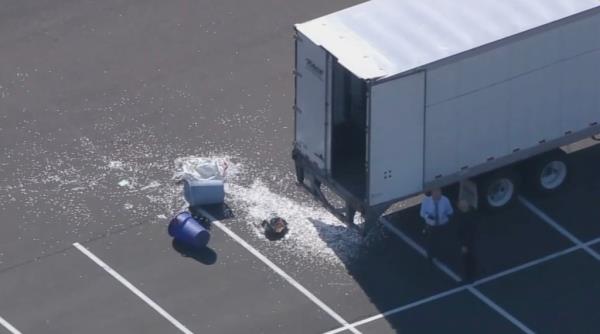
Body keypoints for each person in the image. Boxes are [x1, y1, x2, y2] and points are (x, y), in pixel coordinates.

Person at [420, 188, 453, 261]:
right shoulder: (426, 201)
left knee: (442, 240)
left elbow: (450, 212)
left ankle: (442, 254)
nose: (437, 194)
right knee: (431, 241)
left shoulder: (445, 200)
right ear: (432, 193)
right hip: (431, 225)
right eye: (435, 193)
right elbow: (422, 213)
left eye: (439, 192)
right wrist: (429, 217)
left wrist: (445, 218)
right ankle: (430, 255)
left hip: (443, 224)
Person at [455, 200, 478, 282]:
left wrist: (465, 245)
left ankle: (470, 278)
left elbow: (468, 233)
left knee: (468, 260)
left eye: (460, 206)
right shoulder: (466, 215)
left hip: (468, 243)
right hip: (467, 242)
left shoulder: (467, 218)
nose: (459, 206)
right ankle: (470, 276)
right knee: (469, 259)